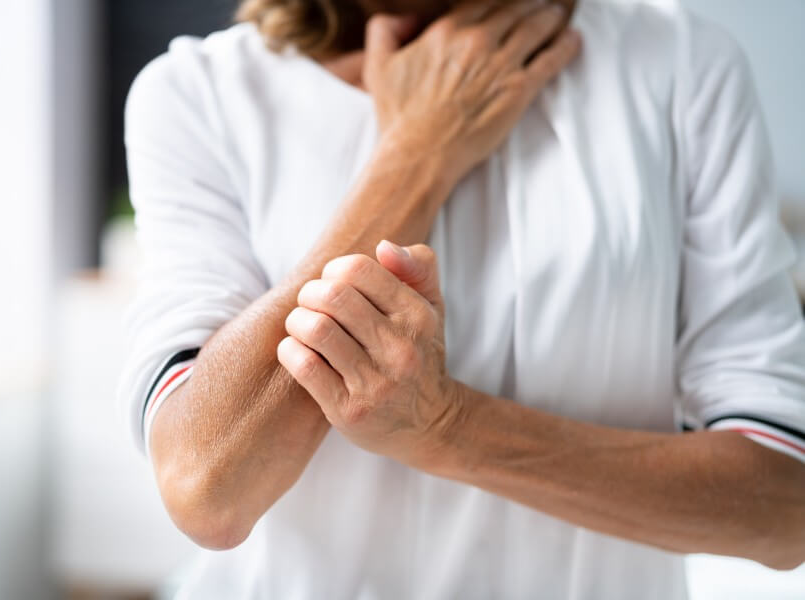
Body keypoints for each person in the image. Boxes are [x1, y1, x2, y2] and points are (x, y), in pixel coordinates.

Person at [117, 0, 805, 597]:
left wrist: (449, 429)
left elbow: (784, 506)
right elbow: (208, 490)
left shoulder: (681, 65)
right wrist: (419, 151)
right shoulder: (196, 96)